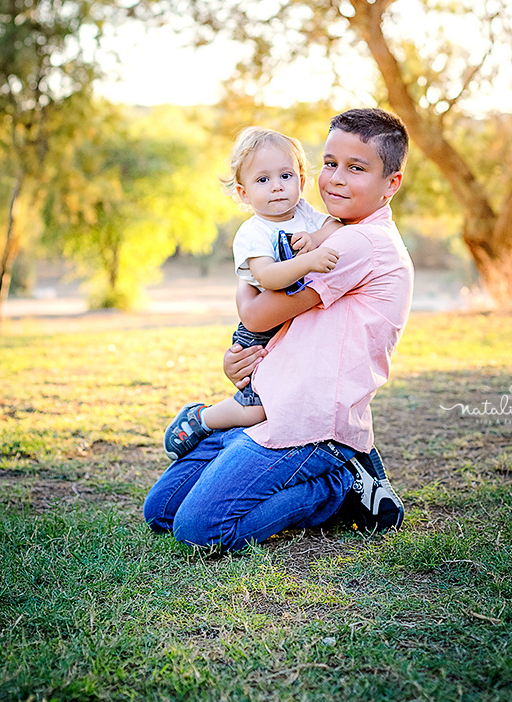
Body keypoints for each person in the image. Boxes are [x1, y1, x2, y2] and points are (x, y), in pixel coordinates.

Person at [143, 107, 414, 552]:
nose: (337, 179)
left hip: (309, 422)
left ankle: (338, 486)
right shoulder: (324, 231)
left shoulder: (358, 242)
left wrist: (245, 295)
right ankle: (304, 471)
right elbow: (282, 322)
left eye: (356, 168)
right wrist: (242, 360)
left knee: (199, 531)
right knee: (162, 510)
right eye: (330, 164)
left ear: (391, 184)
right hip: (272, 403)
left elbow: (256, 315)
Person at [163, 126, 341, 460]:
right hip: (260, 330)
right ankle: (200, 419)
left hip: (288, 321)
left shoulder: (304, 213)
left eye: (285, 175)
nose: (276, 186)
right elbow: (269, 277)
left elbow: (334, 226)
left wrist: (315, 240)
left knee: (283, 398)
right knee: (257, 407)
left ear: (301, 182)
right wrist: (311, 260)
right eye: (263, 180)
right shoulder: (253, 233)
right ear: (244, 194)